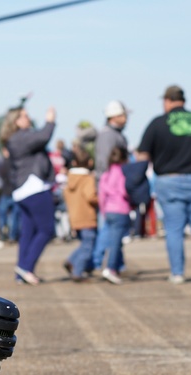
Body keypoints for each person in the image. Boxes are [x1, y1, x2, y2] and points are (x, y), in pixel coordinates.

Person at [138, 85, 191, 284]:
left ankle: (177, 273)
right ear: (183, 100)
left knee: (174, 229)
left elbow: (143, 154)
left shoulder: (158, 123)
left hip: (168, 180)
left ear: (167, 101)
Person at [2, 104, 56, 285]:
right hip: (34, 188)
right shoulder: (20, 137)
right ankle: (26, 267)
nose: (28, 117)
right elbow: (43, 137)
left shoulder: (16, 138)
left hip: (24, 190)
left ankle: (21, 272)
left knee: (28, 232)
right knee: (46, 229)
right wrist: (50, 121)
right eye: (23, 116)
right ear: (15, 121)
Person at [92, 101, 130, 272]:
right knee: (108, 229)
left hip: (109, 189)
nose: (126, 118)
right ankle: (98, 262)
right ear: (115, 116)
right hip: (111, 191)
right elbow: (105, 165)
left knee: (112, 230)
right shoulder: (109, 135)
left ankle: (116, 264)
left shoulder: (113, 134)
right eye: (123, 114)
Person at [62, 147, 98, 282]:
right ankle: (78, 271)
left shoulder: (70, 179)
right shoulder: (87, 179)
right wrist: (100, 200)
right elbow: (90, 196)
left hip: (74, 216)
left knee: (84, 243)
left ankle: (71, 261)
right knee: (89, 244)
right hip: (87, 216)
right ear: (89, 163)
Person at [98, 146, 132, 284]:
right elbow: (124, 191)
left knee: (112, 241)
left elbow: (101, 195)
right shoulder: (123, 173)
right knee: (116, 243)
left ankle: (116, 266)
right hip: (121, 210)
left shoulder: (106, 174)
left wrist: (104, 211)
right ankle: (111, 268)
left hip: (109, 210)